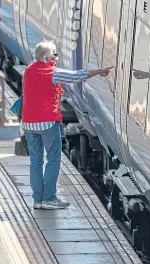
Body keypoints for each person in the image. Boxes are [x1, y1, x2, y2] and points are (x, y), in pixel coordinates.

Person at [22, 41, 112, 210]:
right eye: (55, 54)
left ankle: (38, 200)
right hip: (47, 122)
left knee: (35, 161)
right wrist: (100, 71)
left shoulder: (28, 70)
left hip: (28, 123)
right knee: (53, 160)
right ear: (48, 57)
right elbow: (78, 76)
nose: (57, 57)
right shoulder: (52, 73)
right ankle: (49, 198)